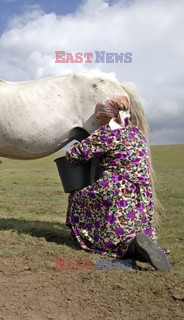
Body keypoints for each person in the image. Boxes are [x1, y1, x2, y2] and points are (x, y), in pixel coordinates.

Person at [65, 96, 171, 271]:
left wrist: (74, 148)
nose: (97, 121)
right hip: (142, 196)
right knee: (128, 229)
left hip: (117, 190)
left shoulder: (108, 132)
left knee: (78, 195)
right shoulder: (137, 132)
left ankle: (89, 238)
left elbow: (77, 154)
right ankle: (138, 242)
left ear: (109, 116)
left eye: (98, 116)